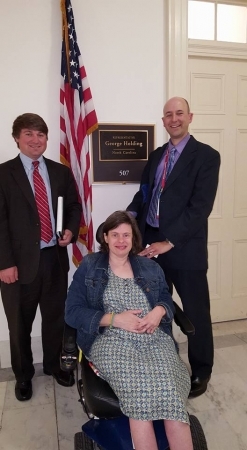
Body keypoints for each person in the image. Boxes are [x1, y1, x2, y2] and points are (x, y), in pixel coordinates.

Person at [65, 210, 193, 450]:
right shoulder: (90, 266)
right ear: (105, 237)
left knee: (171, 388)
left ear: (134, 239)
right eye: (115, 235)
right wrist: (114, 319)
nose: (121, 240)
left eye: (126, 235)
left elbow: (166, 297)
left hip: (153, 337)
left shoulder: (149, 267)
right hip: (110, 340)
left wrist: (159, 312)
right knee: (138, 391)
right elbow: (72, 312)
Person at [127, 97, 221, 398]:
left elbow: (200, 207)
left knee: (195, 313)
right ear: (164, 120)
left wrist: (170, 242)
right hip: (150, 246)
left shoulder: (207, 156)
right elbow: (144, 195)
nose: (174, 119)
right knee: (158, 309)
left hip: (184, 248)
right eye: (168, 115)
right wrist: (127, 219)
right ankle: (164, 361)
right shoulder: (155, 156)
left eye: (179, 113)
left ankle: (202, 370)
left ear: (189, 116)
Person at [0, 113, 81, 401]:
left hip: (54, 259)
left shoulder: (59, 172)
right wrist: (5, 263)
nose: (35, 140)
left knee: (55, 318)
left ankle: (54, 366)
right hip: (17, 266)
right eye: (28, 134)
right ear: (17, 138)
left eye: (41, 134)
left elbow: (74, 207)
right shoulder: (3, 174)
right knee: (19, 323)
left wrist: (71, 231)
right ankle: (23, 376)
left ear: (47, 138)